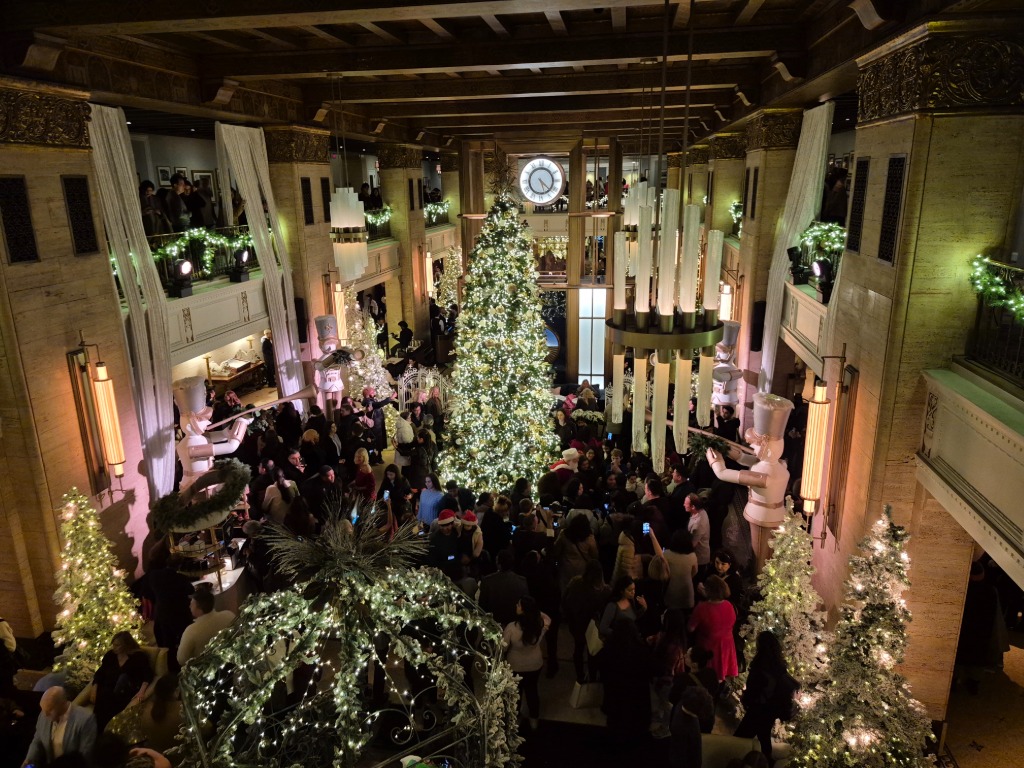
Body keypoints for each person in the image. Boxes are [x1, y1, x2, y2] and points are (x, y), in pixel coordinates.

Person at [735, 630, 799, 762]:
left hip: (758, 710)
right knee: (764, 737)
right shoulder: (779, 665)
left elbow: (754, 690)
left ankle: (737, 760)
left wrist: (746, 700)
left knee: (739, 739)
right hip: (770, 710)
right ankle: (767, 761)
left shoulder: (760, 665)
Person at [602, 617, 653, 746]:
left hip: (615, 695)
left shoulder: (609, 648)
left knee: (616, 725)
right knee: (635, 726)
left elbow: (602, 669)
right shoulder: (640, 650)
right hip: (636, 696)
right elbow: (650, 670)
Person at [502, 596, 550, 732]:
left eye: (519, 605)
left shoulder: (512, 627)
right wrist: (534, 611)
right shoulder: (539, 625)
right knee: (532, 692)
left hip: (515, 665)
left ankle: (516, 719)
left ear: (523, 610)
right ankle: (534, 720)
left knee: (516, 694)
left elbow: (503, 648)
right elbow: (548, 619)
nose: (516, 606)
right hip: (535, 664)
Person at [89, 632, 154, 732]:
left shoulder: (138, 657)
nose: (114, 648)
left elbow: (147, 676)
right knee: (104, 699)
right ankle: (99, 730)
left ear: (125, 645)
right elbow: (100, 673)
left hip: (125, 692)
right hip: (107, 690)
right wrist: (94, 688)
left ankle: (108, 730)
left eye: (117, 645)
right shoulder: (110, 656)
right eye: (113, 645)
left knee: (110, 700)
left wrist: (141, 692)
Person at [561, 560, 609, 684]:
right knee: (592, 652)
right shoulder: (602, 590)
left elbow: (565, 600)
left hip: (576, 624)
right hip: (592, 627)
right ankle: (592, 677)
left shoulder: (575, 582)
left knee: (578, 649)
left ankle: (580, 675)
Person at [23, 686, 97, 767]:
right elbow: (37, 741)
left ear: (62, 704)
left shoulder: (86, 719)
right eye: (43, 710)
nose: (45, 714)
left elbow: (85, 755)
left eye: (49, 710)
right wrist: (29, 761)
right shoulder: (43, 715)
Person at [689, 575, 738, 683]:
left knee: (707, 679)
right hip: (726, 646)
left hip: (708, 647)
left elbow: (691, 628)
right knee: (720, 676)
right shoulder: (729, 605)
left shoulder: (702, 607)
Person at [176, 587, 235, 666]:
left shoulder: (191, 631)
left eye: (192, 604)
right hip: (232, 662)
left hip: (206, 669)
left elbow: (181, 660)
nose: (189, 606)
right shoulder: (229, 615)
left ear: (200, 609)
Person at [479, 549, 529, 629]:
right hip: (515, 625)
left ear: (498, 564)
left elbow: (482, 607)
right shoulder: (522, 581)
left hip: (493, 625)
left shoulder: (487, 581)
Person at [599, 575, 647, 641]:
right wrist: (620, 634)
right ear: (621, 591)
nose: (633, 592)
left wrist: (644, 607)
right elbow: (603, 628)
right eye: (630, 590)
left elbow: (633, 617)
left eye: (634, 589)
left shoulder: (630, 600)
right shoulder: (612, 605)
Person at [686, 493, 711, 575]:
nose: (684, 505)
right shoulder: (699, 511)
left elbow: (692, 544)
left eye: (686, 503)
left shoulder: (699, 524)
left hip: (699, 558)